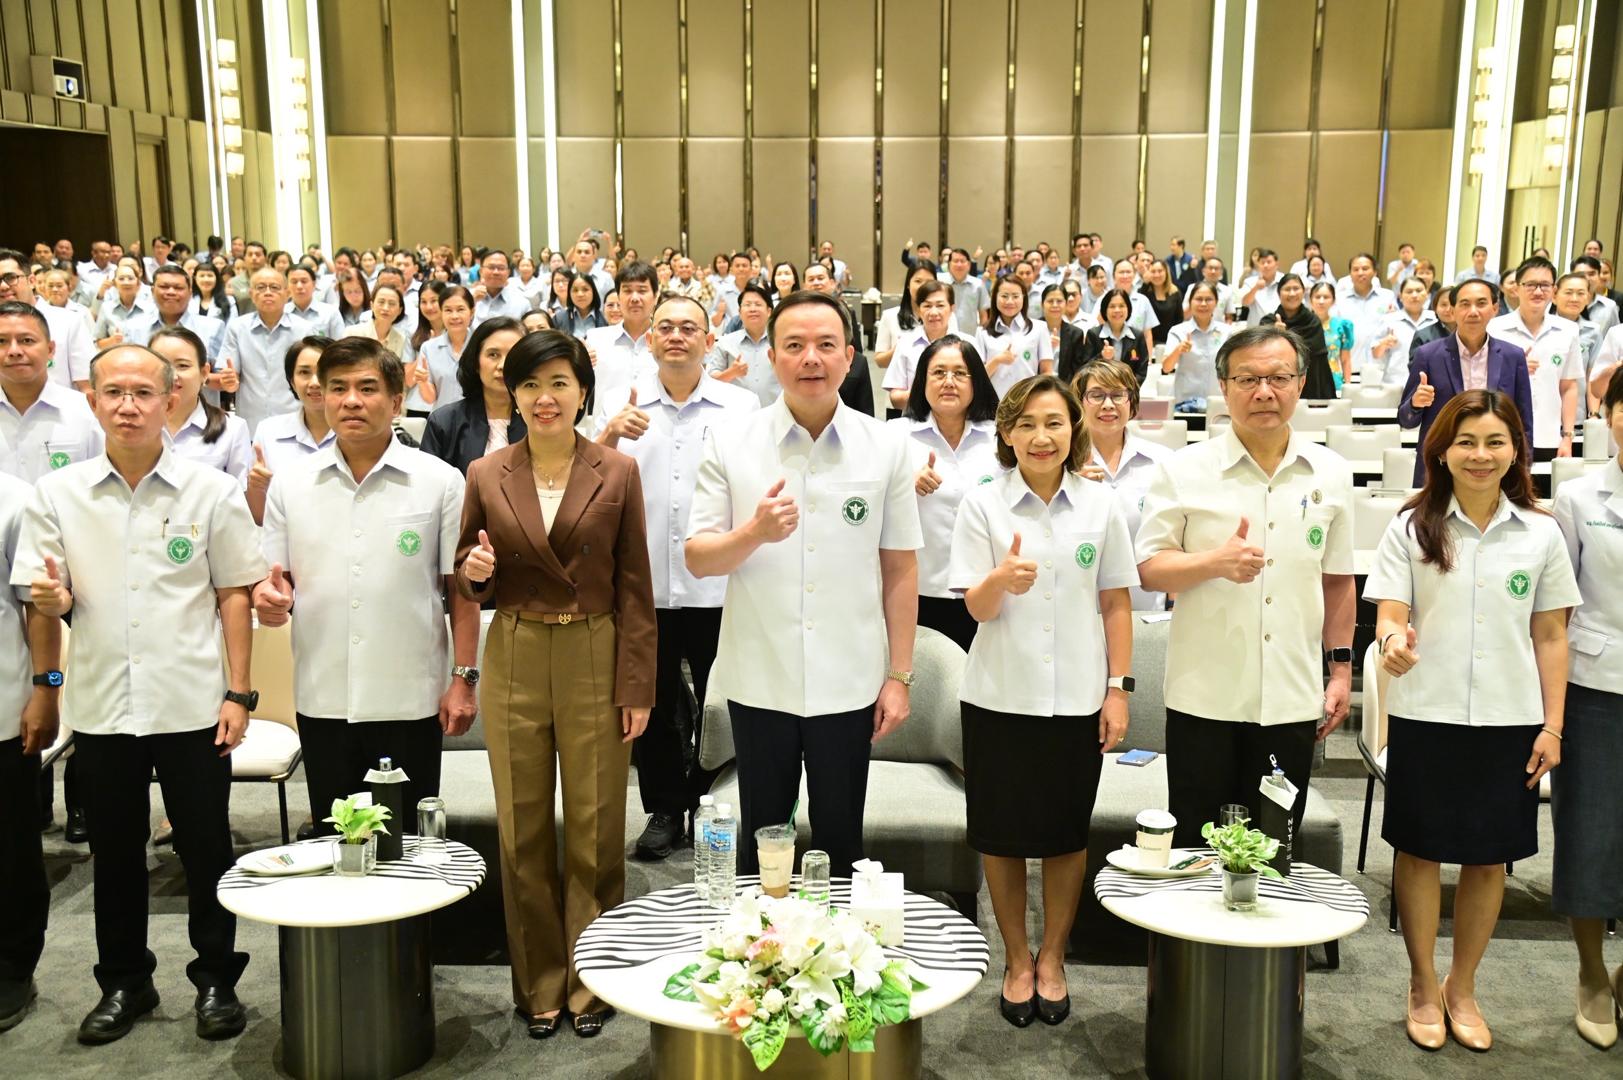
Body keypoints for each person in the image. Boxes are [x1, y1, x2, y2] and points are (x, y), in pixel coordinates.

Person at [12, 343, 267, 1045]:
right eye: (115, 393)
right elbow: (47, 598)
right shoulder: (57, 494)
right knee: (116, 854)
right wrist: (51, 637)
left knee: (206, 848)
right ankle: (125, 981)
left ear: (170, 400)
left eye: (143, 393)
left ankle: (216, 979)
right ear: (93, 401)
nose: (129, 406)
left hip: (193, 701)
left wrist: (240, 692)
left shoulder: (211, 490)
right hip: (103, 705)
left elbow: (234, 593)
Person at [455, 329, 655, 1039]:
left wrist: (638, 686)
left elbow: (636, 585)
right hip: (515, 645)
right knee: (523, 827)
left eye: (559, 383)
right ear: (513, 394)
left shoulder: (617, 471)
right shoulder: (486, 472)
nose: (545, 398)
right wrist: (473, 573)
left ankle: (590, 980)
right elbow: (467, 568)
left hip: (594, 646)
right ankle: (538, 981)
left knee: (597, 826)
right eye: (531, 384)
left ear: (582, 393)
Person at [1364, 389, 1576, 1052]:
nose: (1479, 455)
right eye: (1465, 442)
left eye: (1493, 442)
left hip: (1511, 718)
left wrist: (1552, 726)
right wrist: (1392, 643)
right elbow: (1390, 614)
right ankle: (1422, 984)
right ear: (1442, 451)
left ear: (1515, 451)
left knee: (1489, 859)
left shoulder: (1540, 531)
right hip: (1426, 712)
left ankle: (1463, 986)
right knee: (1420, 850)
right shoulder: (1410, 526)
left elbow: (1550, 635)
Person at [686, 291, 922, 878]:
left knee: (841, 842)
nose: (810, 358)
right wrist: (755, 532)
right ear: (771, 357)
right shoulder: (730, 441)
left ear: (849, 357)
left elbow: (900, 568)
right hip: (759, 676)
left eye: (825, 345)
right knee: (762, 843)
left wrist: (899, 677)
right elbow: (698, 558)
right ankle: (761, 936)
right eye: (794, 345)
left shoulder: (887, 445)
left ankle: (839, 938)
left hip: (849, 680)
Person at [949, 373, 1135, 1028]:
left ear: (1072, 429)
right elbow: (974, 607)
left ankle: (1052, 957)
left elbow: (1115, 601)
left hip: (1077, 698)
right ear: (1006, 432)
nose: (1040, 436)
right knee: (999, 838)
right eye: (1025, 423)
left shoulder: (1100, 504)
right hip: (998, 695)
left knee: (1064, 836)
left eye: (1053, 422)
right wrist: (999, 580)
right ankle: (1015, 958)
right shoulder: (983, 504)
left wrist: (1117, 689)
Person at [1137, 325, 1355, 849]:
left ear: (1300, 383)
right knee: (1196, 848)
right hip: (1203, 696)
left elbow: (1338, 580)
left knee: (1272, 849)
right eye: (1248, 379)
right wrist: (1212, 563)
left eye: (1278, 378)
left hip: (1290, 697)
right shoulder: (1183, 469)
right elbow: (1148, 568)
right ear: (1224, 386)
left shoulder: (1330, 471)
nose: (1264, 392)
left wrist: (1342, 671)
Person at [255, 336, 477, 837]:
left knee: (407, 843)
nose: (351, 400)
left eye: (367, 388)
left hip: (410, 694)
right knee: (337, 840)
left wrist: (464, 679)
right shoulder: (291, 483)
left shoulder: (439, 481)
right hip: (323, 692)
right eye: (338, 388)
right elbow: (275, 582)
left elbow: (460, 591)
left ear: (397, 401)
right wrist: (269, 602)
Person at [594, 293, 758, 860]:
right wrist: (609, 436)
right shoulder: (620, 404)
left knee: (723, 704)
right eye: (665, 327)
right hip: (646, 586)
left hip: (722, 584)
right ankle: (665, 809)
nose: (676, 336)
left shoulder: (741, 407)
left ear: (709, 342)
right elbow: (584, 481)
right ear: (650, 339)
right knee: (654, 702)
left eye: (689, 328)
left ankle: (710, 803)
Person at [1550, 365, 1623, 1049]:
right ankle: (1591, 972)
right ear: (1609, 414)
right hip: (1598, 685)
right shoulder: (1578, 497)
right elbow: (1558, 607)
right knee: (1590, 831)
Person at [893, 336, 1001, 652]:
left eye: (960, 373)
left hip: (985, 590)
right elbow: (866, 506)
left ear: (976, 381)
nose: (949, 382)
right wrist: (902, 486)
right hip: (917, 590)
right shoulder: (894, 437)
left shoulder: (1001, 438)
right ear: (922, 381)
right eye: (938, 372)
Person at [0, 458, 58, 1034]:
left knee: (10, 848)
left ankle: (13, 965)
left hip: (2, 707)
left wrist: (47, 687)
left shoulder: (15, 498)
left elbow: (37, 606)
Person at [1398, 280, 1533, 487]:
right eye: (1465, 304)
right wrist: (1416, 403)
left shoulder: (1512, 356)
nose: (1473, 311)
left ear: (1495, 309)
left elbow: (1524, 420)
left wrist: (1523, 467)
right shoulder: (1428, 355)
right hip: (1440, 464)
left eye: (1481, 303)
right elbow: (1405, 419)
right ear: (1452, 311)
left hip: (1494, 463)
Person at [1075, 359, 1172, 609]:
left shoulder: (1163, 461)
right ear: (1080, 402)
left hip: (1147, 604)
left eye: (1118, 395)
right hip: (1080, 607)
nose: (1108, 404)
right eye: (1096, 395)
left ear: (1132, 402)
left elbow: (1176, 537)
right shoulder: (1063, 466)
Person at [1486, 257, 1580, 461]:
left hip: (1549, 436)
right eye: (1530, 285)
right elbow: (1481, 380)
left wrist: (1567, 437)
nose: (1538, 291)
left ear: (1554, 290)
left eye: (1545, 285)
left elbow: (1568, 387)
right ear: (1517, 288)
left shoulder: (1568, 331)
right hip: (1501, 433)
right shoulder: (1494, 328)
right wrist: (1513, 369)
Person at [0, 302, 105, 481]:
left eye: (27, 340)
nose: (14, 351)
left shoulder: (86, 412)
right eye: (1, 341)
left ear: (50, 350)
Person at [421, 317, 526, 476]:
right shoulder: (444, 422)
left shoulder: (540, 418)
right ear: (476, 362)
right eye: (493, 355)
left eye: (513, 355)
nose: (503, 365)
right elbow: (428, 482)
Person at [150, 327, 252, 482]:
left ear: (204, 373)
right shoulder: (129, 424)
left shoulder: (232, 429)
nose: (172, 376)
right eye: (162, 366)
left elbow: (241, 493)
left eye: (183, 365)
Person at [218, 268, 311, 434]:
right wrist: (229, 382)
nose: (268, 292)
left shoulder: (304, 329)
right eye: (261, 287)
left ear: (287, 293)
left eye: (274, 287)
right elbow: (231, 375)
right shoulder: (237, 328)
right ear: (251, 294)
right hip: (251, 422)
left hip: (294, 419)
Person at [0, 254, 94, 389]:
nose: (3, 286)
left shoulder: (69, 321)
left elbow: (87, 386)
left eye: (10, 278)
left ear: (31, 281)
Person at [883, 280, 974, 409]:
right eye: (927, 306)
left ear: (952, 308)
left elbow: (979, 389)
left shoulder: (969, 343)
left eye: (940, 305)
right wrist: (928, 394)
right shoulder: (905, 344)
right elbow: (895, 399)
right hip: (916, 419)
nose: (933, 312)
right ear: (919, 310)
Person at [583, 262, 657, 409]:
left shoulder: (668, 341)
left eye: (642, 290)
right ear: (618, 296)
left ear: (655, 296)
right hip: (606, 423)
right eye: (627, 291)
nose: (634, 298)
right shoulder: (595, 339)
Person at [976, 276, 1052, 398]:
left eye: (1015, 296)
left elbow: (1046, 371)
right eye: (1004, 296)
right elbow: (978, 378)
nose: (1010, 302)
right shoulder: (982, 332)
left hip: (1028, 401)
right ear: (995, 297)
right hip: (995, 403)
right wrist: (997, 360)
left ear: (1023, 298)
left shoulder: (1039, 328)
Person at [1159, 282, 1230, 408]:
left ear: (1216, 302)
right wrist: (1178, 350)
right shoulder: (1178, 331)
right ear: (1190, 302)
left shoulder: (1227, 332)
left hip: (1218, 401)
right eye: (1198, 299)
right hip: (1185, 403)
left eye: (1208, 299)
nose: (1203, 304)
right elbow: (1166, 368)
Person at [409, 284, 472, 417]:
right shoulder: (428, 348)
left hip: (476, 420)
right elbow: (430, 399)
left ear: (471, 312)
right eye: (448, 310)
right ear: (441, 313)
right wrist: (423, 382)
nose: (454, 316)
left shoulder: (482, 345)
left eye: (460, 309)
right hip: (442, 421)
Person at [709, 282, 777, 406]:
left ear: (769, 311)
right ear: (740, 312)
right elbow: (710, 382)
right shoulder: (725, 342)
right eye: (747, 305)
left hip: (775, 412)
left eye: (758, 304)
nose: (752, 309)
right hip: (736, 413)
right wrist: (731, 373)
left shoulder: (780, 342)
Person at [1265, 275, 1334, 397]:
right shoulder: (1268, 322)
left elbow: (1317, 362)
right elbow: (1263, 358)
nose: (1292, 293)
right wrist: (1275, 335)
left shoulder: (1313, 322)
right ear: (1279, 293)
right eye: (1287, 289)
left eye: (1296, 288)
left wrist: (1286, 337)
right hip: (1274, 388)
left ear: (1303, 292)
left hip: (1309, 388)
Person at [1366, 277, 1439, 389]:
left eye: (1419, 290)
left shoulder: (1435, 319)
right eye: (1409, 291)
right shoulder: (1389, 320)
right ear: (1400, 296)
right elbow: (1375, 354)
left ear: (1427, 294)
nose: (1414, 295)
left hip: (1430, 385)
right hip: (1395, 384)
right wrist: (1384, 344)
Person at [1334, 253, 1398, 378]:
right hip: (1348, 370)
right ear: (1350, 274)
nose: (1360, 273)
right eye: (1355, 269)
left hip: (1380, 369)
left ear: (1375, 272)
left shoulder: (1387, 297)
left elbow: (1394, 329)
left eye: (1365, 268)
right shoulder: (1339, 299)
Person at [1074, 289, 1150, 384]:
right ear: (1105, 310)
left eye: (1121, 306)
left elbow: (1142, 371)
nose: (1117, 310)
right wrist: (1102, 356)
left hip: (1129, 389)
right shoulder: (1093, 334)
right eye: (1112, 306)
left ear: (1128, 309)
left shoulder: (1138, 336)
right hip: (1100, 387)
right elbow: (1085, 368)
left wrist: (1127, 388)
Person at [284, 265, 343, 340]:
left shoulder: (330, 312)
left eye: (304, 281)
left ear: (314, 284)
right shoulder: (281, 313)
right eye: (294, 282)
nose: (299, 286)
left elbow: (340, 343)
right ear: (287, 286)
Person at [472, 251, 530, 323]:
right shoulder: (468, 298)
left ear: (508, 273)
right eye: (491, 267)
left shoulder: (522, 303)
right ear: (481, 271)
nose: (496, 272)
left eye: (501, 268)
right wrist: (472, 303)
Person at [558, 271, 606, 339]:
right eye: (575, 290)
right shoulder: (558, 318)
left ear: (593, 292)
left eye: (585, 289)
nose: (580, 294)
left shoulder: (605, 318)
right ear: (569, 294)